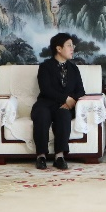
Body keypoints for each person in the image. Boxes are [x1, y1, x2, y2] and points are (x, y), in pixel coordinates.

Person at [32, 33, 87, 170]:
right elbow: (45, 89)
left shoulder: (74, 69)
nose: (72, 48)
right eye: (69, 45)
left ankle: (59, 156)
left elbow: (81, 91)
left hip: (63, 106)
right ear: (59, 48)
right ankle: (41, 156)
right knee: (42, 114)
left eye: (72, 45)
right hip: (45, 104)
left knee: (63, 115)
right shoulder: (45, 66)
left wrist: (72, 101)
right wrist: (65, 98)